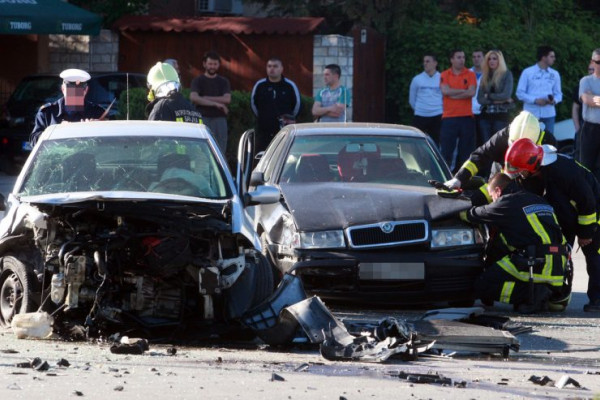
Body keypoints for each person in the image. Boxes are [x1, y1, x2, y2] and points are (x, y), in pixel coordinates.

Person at [505, 138, 600, 312]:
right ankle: (553, 293)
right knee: (559, 254)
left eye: (522, 172)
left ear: (533, 165)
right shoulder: (533, 173)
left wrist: (586, 232)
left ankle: (598, 300)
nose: (520, 175)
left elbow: (588, 201)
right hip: (566, 215)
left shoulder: (564, 171)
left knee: (595, 255)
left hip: (593, 212)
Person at [462, 172, 568, 313]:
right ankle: (549, 293)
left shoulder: (506, 202)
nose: (492, 199)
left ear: (498, 190)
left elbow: (470, 214)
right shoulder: (538, 199)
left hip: (534, 263)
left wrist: (455, 206)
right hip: (557, 268)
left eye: (491, 195)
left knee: (483, 286)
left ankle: (531, 295)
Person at [445, 111, 556, 199]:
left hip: (532, 184)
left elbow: (550, 177)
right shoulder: (503, 136)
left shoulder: (548, 142)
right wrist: (459, 179)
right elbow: (480, 156)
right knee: (488, 202)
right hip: (501, 176)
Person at [31, 68, 105, 145]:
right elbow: (34, 140)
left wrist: (96, 129)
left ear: (86, 90)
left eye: (79, 91)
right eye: (71, 91)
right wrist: (56, 132)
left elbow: (107, 143)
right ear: (63, 89)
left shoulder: (97, 112)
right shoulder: (48, 112)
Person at [251, 57, 301, 153]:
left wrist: (288, 118)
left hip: (284, 130)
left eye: (275, 66)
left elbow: (297, 106)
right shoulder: (260, 85)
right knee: (262, 155)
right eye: (269, 66)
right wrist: (264, 117)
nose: (272, 69)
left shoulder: (290, 86)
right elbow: (253, 105)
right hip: (263, 130)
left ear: (281, 69)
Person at [439, 49, 477, 172]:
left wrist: (453, 93)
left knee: (466, 150)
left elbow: (471, 92)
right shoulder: (445, 74)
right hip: (449, 117)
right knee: (446, 150)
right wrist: (463, 91)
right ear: (452, 59)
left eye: (463, 57)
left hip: (466, 117)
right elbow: (445, 91)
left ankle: (463, 176)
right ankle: (445, 174)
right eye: (459, 57)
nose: (462, 60)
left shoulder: (470, 74)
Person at [190, 51, 231, 153]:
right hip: (203, 118)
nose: (212, 66)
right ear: (204, 64)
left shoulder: (223, 81)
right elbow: (194, 98)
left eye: (215, 64)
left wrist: (204, 98)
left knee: (220, 148)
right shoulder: (198, 80)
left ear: (218, 65)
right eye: (210, 64)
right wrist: (217, 104)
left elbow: (227, 99)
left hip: (219, 119)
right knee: (201, 149)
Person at [516, 45, 562, 135]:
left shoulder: (555, 74)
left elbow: (558, 94)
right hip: (531, 114)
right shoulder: (528, 72)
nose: (554, 59)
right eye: (551, 56)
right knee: (529, 140)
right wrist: (535, 100)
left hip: (548, 114)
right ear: (544, 57)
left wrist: (553, 100)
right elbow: (519, 93)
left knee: (548, 143)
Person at [477, 50, 514, 144]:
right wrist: (499, 100)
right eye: (489, 59)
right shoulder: (484, 76)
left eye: (494, 58)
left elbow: (506, 95)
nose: (491, 61)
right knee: (486, 145)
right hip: (485, 115)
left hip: (501, 115)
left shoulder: (507, 74)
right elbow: (480, 99)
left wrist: (488, 96)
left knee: (500, 145)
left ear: (500, 60)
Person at [408, 54, 443, 145]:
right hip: (420, 115)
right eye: (424, 61)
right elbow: (412, 99)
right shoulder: (417, 79)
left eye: (428, 61)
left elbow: (445, 97)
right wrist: (420, 109)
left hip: (437, 115)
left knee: (436, 142)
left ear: (435, 63)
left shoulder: (442, 78)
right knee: (416, 141)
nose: (425, 64)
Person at [579, 48, 600, 182]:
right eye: (598, 62)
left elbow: (592, 99)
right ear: (592, 62)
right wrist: (591, 98)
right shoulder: (586, 80)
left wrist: (594, 97)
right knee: (586, 165)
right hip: (590, 128)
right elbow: (586, 99)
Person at [572, 64, 594, 159]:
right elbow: (575, 108)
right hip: (584, 125)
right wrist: (577, 128)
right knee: (580, 154)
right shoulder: (581, 86)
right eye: (590, 69)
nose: (591, 71)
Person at [471, 50, 484, 146]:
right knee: (470, 141)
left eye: (479, 56)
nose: (476, 59)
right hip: (469, 112)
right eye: (474, 57)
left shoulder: (489, 74)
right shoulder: (467, 73)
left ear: (483, 58)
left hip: (483, 112)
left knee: (483, 140)